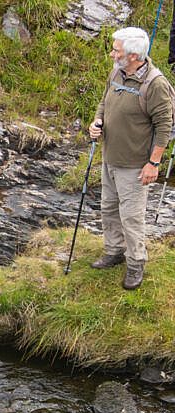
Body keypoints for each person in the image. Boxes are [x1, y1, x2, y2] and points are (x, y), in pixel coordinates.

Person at [89, 26, 173, 290]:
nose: (112, 54)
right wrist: (97, 121)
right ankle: (114, 251)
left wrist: (154, 163)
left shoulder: (155, 84)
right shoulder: (117, 72)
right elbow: (105, 101)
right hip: (110, 157)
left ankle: (136, 263)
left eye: (117, 50)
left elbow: (165, 126)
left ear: (134, 55)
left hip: (136, 166)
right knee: (109, 208)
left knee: (132, 217)